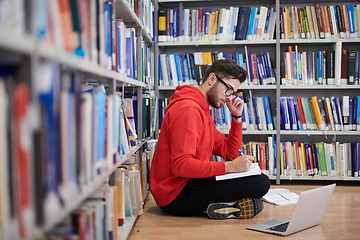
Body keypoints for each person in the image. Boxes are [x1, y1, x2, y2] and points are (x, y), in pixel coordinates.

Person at [150, 59, 270, 220]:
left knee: (258, 179)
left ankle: (224, 205)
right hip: (175, 195)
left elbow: (229, 152)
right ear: (212, 79)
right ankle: (227, 205)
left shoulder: (202, 109)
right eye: (228, 90)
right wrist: (230, 167)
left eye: (233, 93)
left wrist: (236, 118)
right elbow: (180, 165)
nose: (229, 98)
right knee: (260, 183)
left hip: (189, 182)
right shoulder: (189, 109)